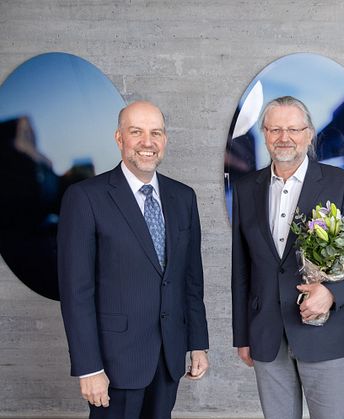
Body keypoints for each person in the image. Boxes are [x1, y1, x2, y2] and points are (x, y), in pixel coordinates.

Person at [58, 101, 209, 418]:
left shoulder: (183, 198)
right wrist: (89, 367)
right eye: (136, 132)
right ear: (119, 138)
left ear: (164, 140)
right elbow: (76, 292)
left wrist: (198, 343)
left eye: (155, 133)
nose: (147, 142)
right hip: (114, 363)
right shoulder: (86, 198)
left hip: (168, 357)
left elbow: (190, 280)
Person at [231, 96, 344, 419]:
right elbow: (241, 268)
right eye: (275, 129)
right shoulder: (245, 188)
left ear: (309, 134)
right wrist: (242, 335)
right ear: (265, 134)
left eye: (293, 129)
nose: (284, 137)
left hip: (325, 331)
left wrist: (331, 293)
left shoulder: (341, 184)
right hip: (267, 334)